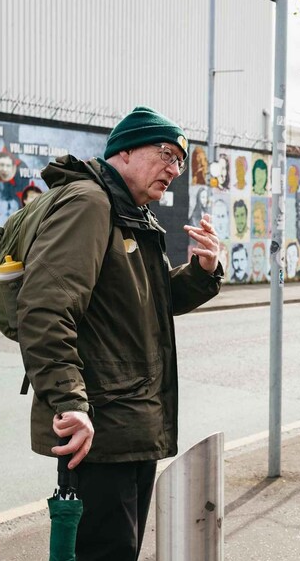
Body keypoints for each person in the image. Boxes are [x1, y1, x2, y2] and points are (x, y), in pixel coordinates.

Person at [16, 105, 223, 561]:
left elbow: (147, 302)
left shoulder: (130, 212)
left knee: (119, 551)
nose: (174, 170)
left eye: (181, 162)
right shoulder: (91, 204)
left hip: (131, 421)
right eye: (167, 154)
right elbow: (45, 309)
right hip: (100, 426)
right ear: (124, 151)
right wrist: (70, 401)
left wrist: (203, 273)